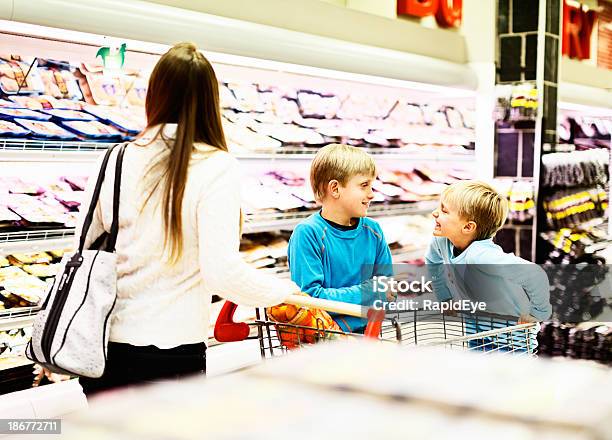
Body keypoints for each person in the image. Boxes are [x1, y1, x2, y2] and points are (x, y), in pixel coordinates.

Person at [74, 42, 301, 395]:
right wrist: (282, 292)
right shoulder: (216, 167)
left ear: (155, 95)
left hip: (103, 351)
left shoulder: (116, 158)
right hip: (171, 355)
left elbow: (82, 247)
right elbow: (221, 273)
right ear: (210, 101)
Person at [287, 144, 393, 333]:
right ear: (335, 188)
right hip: (324, 341)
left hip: (372, 334)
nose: (372, 194)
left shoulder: (373, 231)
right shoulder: (307, 234)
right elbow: (311, 299)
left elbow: (389, 288)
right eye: (364, 185)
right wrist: (370, 291)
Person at [425, 180, 551, 326]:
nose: (435, 213)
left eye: (444, 211)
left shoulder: (481, 256)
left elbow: (534, 274)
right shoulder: (441, 242)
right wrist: (444, 297)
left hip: (511, 333)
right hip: (476, 325)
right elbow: (433, 262)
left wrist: (538, 313)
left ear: (467, 227)